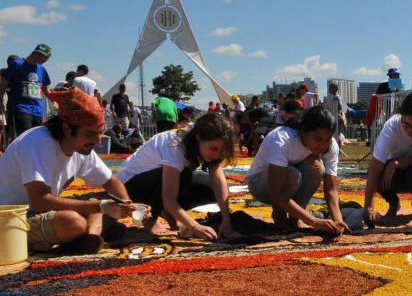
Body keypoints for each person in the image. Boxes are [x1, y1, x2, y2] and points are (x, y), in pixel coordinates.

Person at [0, 87, 136, 254]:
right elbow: (41, 202)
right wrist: (100, 207)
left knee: (109, 199)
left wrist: (128, 205)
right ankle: (86, 232)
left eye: (100, 133)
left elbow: (110, 181)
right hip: (11, 217)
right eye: (91, 134)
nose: (98, 141)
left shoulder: (80, 147)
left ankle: (91, 237)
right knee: (72, 222)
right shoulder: (38, 143)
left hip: (41, 210)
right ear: (66, 128)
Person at [117, 111, 240, 240]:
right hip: (129, 188)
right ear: (199, 138)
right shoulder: (176, 146)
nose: (217, 155)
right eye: (214, 149)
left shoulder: (205, 136)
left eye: (221, 150)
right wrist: (194, 226)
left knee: (210, 188)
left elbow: (218, 180)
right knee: (184, 177)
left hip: (157, 181)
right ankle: (150, 218)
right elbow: (168, 198)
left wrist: (226, 221)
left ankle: (164, 210)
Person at [245, 102, 356, 235]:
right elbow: (275, 192)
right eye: (317, 139)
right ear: (303, 131)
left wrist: (338, 220)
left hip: (288, 182)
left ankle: (295, 217)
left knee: (317, 167)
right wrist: (313, 221)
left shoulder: (330, 146)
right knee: (293, 174)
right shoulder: (283, 139)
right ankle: (280, 215)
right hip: (260, 185)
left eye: (327, 140)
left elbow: (331, 189)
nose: (322, 145)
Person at [363, 91, 412, 226]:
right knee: (375, 174)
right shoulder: (391, 127)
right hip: (393, 177)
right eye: (406, 124)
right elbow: (375, 169)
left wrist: (395, 163)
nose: (410, 130)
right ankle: (394, 203)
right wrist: (368, 208)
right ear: (401, 115)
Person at [0, 44, 52, 138]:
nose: (46, 61)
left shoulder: (41, 69)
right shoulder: (17, 64)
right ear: (37, 54)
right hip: (22, 108)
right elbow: (3, 83)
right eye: (46, 58)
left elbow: (45, 88)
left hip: (38, 109)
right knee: (25, 137)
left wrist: (56, 101)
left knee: (36, 138)